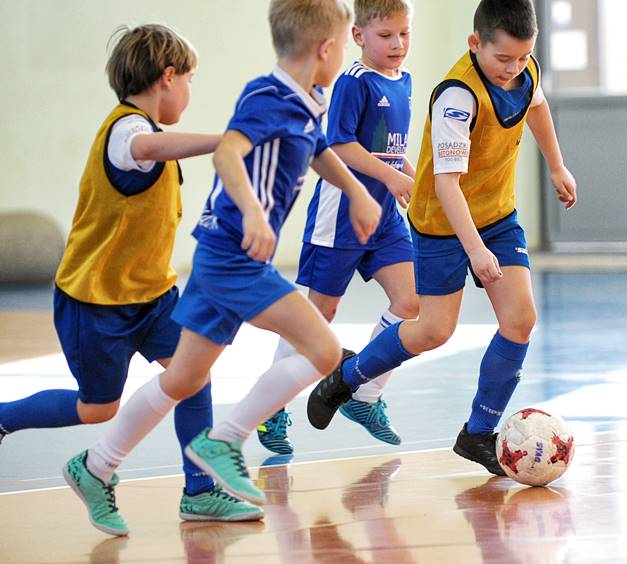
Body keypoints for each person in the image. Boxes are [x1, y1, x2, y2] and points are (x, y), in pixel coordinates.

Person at [63, 0, 382, 536]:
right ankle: (226, 439)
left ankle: (95, 466)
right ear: (326, 49)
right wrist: (254, 212)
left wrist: (356, 191)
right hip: (234, 256)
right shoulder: (267, 95)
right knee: (325, 350)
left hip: (220, 254)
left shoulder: (311, 97)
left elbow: (318, 148)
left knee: (183, 378)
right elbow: (228, 154)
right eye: (343, 44)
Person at [0, 24, 262, 524]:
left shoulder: (147, 131)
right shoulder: (127, 130)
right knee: (98, 409)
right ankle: (3, 418)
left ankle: (200, 491)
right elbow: (145, 150)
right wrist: (226, 141)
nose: (190, 90)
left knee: (192, 374)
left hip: (153, 295)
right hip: (96, 301)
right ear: (168, 76)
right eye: (190, 79)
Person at [306, 0, 577, 476]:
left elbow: (537, 104)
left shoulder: (523, 69)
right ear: (475, 44)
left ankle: (477, 433)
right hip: (442, 222)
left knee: (520, 320)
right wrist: (475, 250)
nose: (513, 69)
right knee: (434, 330)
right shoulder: (457, 96)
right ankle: (348, 375)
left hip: (497, 214)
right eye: (503, 59)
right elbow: (447, 185)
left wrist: (557, 165)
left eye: (522, 58)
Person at [258, 0, 416, 455]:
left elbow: (388, 151)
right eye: (386, 35)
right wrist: (391, 176)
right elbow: (340, 145)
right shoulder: (353, 82)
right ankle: (270, 405)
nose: (397, 44)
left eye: (404, 33)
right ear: (358, 36)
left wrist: (412, 176)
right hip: (341, 216)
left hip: (384, 218)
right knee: (317, 316)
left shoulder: (403, 81)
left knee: (411, 303)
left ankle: (364, 394)